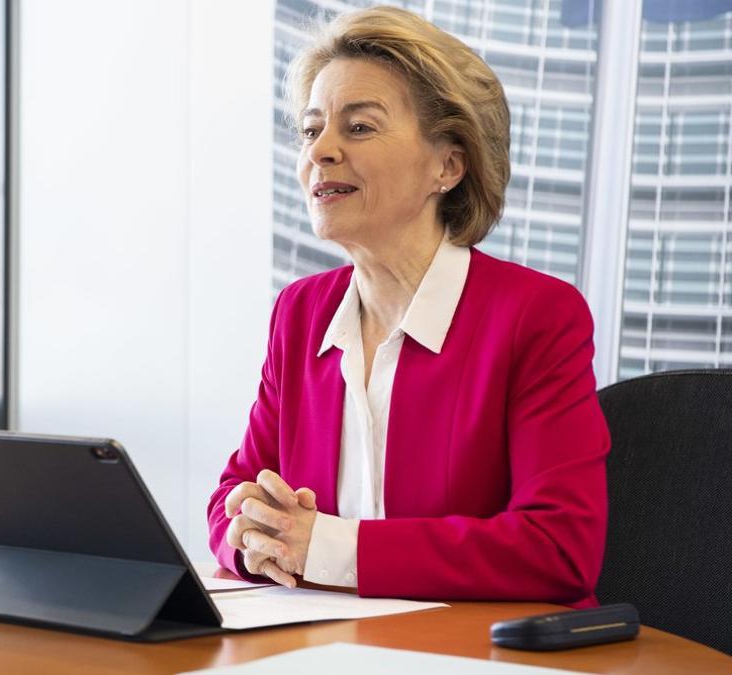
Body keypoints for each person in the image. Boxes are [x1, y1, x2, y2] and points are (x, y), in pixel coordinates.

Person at [207, 6, 609, 607]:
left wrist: (327, 547)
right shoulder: (301, 313)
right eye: (311, 129)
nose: (322, 151)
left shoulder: (537, 316)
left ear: (447, 165)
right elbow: (236, 494)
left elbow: (558, 549)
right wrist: (246, 538)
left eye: (359, 128)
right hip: (323, 648)